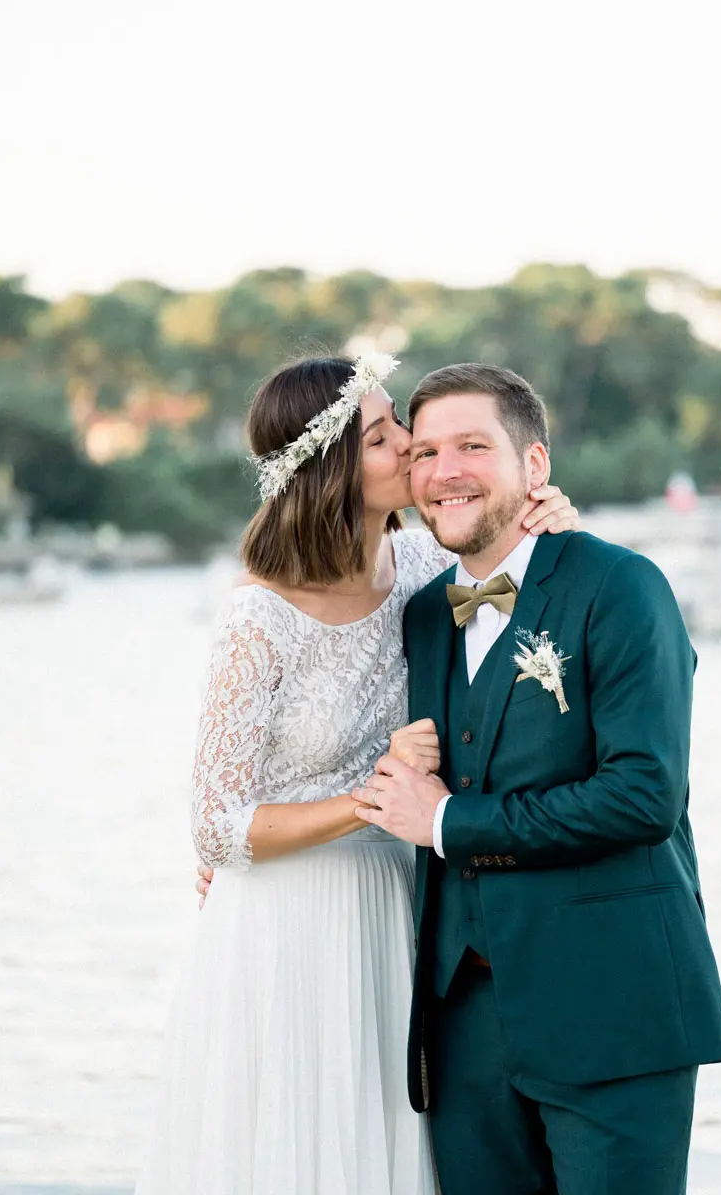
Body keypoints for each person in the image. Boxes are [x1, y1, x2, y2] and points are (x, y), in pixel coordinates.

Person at [135, 353, 580, 1195]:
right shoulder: (258, 617)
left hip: (399, 908)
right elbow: (216, 827)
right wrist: (374, 797)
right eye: (384, 435)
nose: (413, 446)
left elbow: (528, 617)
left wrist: (547, 523)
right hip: (288, 929)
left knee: (389, 1145)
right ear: (334, 469)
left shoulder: (420, 572)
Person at [351, 363, 721, 1195]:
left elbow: (643, 794)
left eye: (474, 446)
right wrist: (242, 833)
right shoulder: (420, 612)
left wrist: (450, 822)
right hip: (462, 1024)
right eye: (427, 452)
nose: (444, 470)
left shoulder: (623, 587)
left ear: (535, 467)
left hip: (614, 1006)